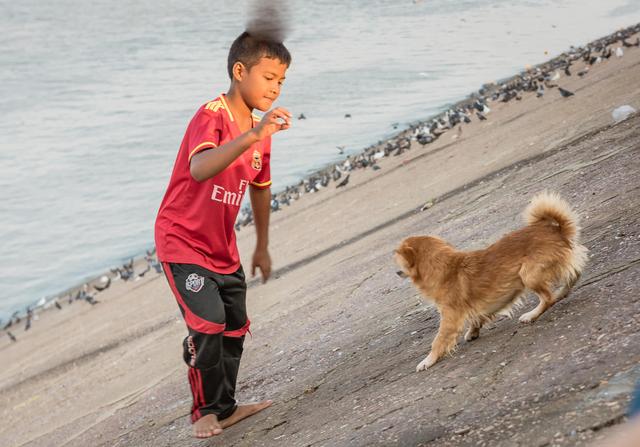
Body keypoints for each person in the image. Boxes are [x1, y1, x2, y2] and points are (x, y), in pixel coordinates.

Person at [154, 29, 291, 438]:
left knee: (234, 326)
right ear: (239, 71)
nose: (276, 88)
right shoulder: (211, 115)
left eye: (282, 81)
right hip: (181, 240)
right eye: (269, 78)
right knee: (208, 322)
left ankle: (225, 407)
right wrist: (252, 135)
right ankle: (203, 411)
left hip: (222, 248)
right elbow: (200, 169)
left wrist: (262, 246)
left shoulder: (259, 133)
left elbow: (261, 191)